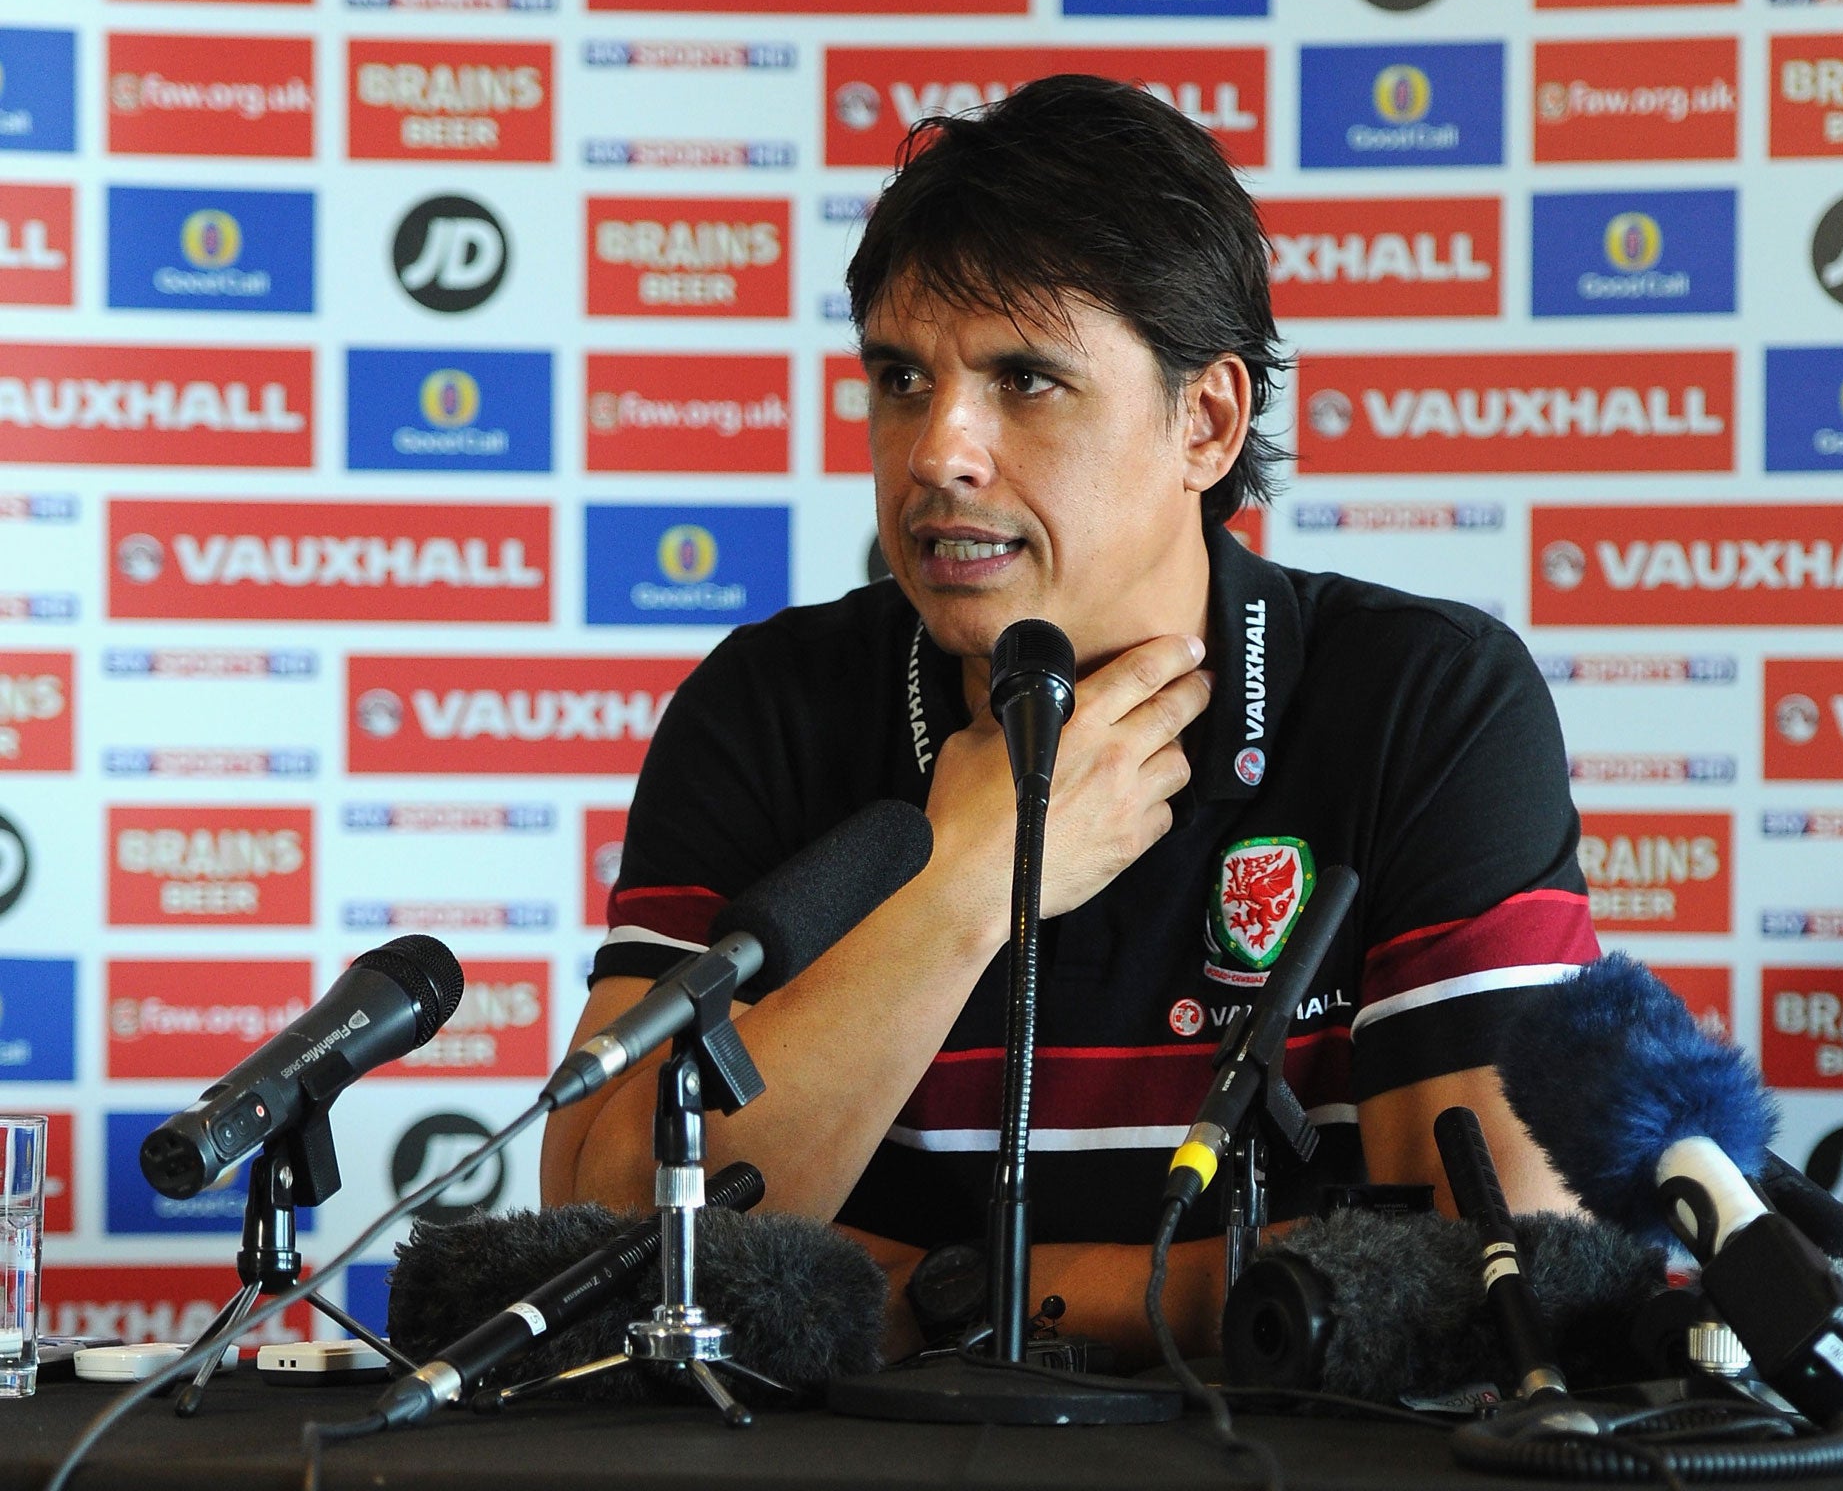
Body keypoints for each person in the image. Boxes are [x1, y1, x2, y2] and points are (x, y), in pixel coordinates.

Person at [541, 74, 1599, 1366]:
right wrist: (969, 880)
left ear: (1206, 421)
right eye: (900, 379)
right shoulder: (769, 707)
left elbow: (1491, 1266)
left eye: (1027, 381)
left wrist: (943, 1293)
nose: (940, 451)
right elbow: (603, 1235)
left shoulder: (1421, 699)